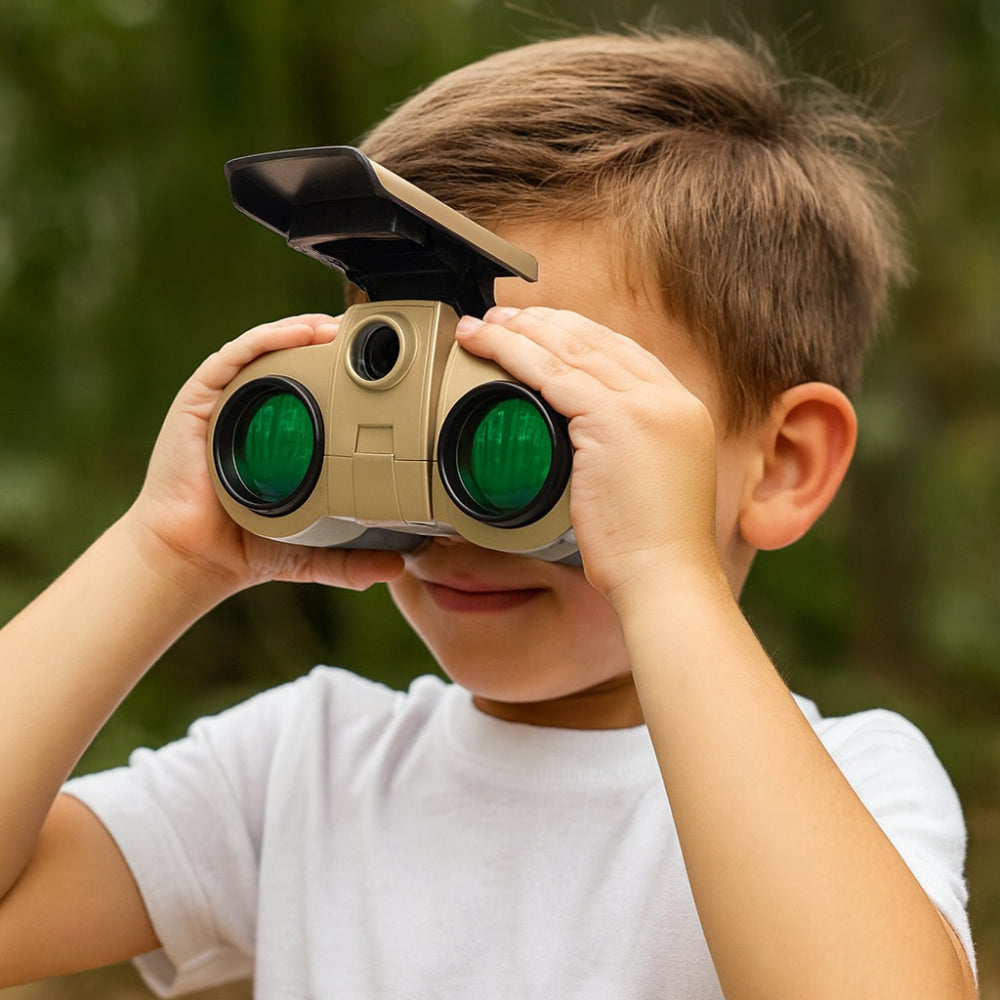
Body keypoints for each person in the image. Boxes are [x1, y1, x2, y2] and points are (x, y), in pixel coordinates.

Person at [0, 27, 978, 1000]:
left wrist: (663, 577)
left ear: (780, 467)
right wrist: (164, 550)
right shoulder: (303, 770)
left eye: (519, 423)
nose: (447, 510)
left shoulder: (849, 778)